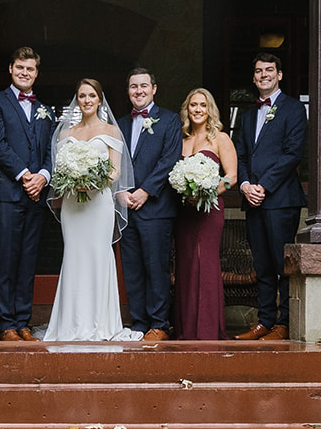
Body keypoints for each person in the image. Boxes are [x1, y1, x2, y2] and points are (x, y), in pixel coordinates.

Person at [42, 79, 129, 342]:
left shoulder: (111, 131)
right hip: (72, 204)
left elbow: (114, 172)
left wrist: (90, 183)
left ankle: (101, 323)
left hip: (98, 203)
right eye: (82, 95)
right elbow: (59, 171)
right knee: (74, 256)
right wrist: (75, 181)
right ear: (77, 100)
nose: (87, 100)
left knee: (98, 255)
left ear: (100, 100)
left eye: (92, 95)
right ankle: (71, 323)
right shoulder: (65, 134)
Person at [0, 47, 55, 341]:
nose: (25, 73)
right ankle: (7, 323)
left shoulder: (44, 109)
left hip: (37, 193)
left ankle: (23, 320)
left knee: (29, 258)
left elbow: (52, 148)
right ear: (11, 69)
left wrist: (44, 176)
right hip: (9, 193)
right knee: (8, 257)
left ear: (36, 72)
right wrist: (26, 175)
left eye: (31, 69)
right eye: (20, 67)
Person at [234, 53, 306, 341]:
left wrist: (264, 185)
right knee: (261, 264)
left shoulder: (294, 109)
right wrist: (245, 185)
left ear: (280, 75)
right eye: (258, 71)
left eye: (269, 70)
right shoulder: (249, 115)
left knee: (281, 264)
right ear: (253, 78)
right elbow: (239, 154)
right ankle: (264, 320)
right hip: (253, 199)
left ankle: (284, 323)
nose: (263, 74)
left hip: (281, 199)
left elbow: (293, 153)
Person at [117, 66, 182, 340]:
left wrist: (146, 190)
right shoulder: (119, 124)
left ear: (154, 89)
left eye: (144, 86)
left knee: (156, 267)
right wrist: (119, 191)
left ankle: (159, 323)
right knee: (132, 267)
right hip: (125, 207)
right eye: (133, 86)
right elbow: (114, 162)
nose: (138, 91)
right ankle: (139, 322)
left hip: (155, 207)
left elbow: (169, 159)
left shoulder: (169, 120)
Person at [174, 87, 237, 340]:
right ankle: (186, 329)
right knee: (186, 264)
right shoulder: (181, 139)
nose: (197, 109)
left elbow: (232, 177)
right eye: (193, 105)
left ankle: (207, 330)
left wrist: (208, 193)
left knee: (205, 264)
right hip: (185, 212)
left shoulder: (220, 138)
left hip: (209, 210)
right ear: (187, 110)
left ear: (210, 110)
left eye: (202, 105)